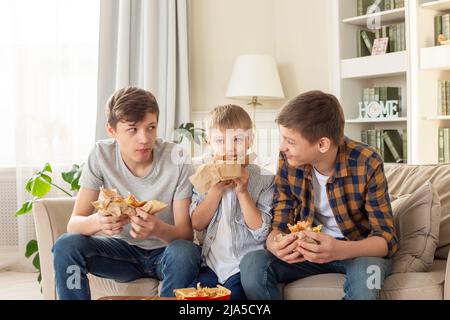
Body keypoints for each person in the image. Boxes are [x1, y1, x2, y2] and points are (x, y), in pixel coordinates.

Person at [240, 90, 398, 300]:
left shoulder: (367, 162)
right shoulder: (288, 161)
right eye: (282, 139)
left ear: (322, 144)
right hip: (305, 252)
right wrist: (275, 244)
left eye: (290, 141)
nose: (282, 147)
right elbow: (279, 222)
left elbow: (386, 239)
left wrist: (338, 249)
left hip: (356, 251)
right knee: (252, 264)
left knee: (368, 279)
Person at [52, 87, 201, 299]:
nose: (144, 138)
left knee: (186, 252)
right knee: (66, 245)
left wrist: (157, 228)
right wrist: (98, 222)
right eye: (133, 129)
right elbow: (74, 224)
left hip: (166, 253)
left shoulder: (177, 158)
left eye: (151, 127)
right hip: (121, 252)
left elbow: (186, 235)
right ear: (112, 131)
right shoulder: (101, 154)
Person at [189, 105, 274, 300]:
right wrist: (216, 189)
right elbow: (197, 223)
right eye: (220, 141)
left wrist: (243, 192)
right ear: (210, 142)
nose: (229, 148)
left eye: (237, 140)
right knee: (190, 299)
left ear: (250, 141)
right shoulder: (204, 176)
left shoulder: (264, 179)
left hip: (241, 267)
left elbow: (261, 231)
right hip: (210, 266)